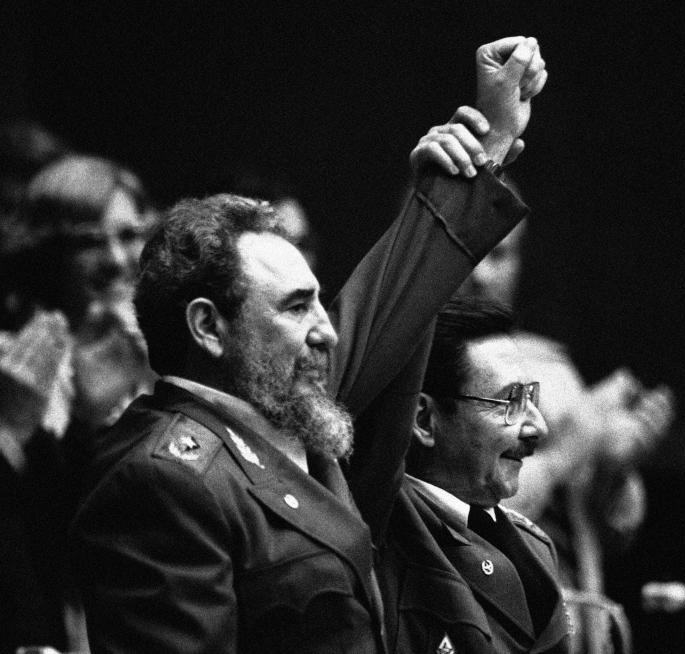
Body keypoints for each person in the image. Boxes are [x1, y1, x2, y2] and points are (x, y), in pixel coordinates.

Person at [69, 36, 547, 654]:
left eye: (319, 302)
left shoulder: (287, 415)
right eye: (297, 308)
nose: (325, 328)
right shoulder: (161, 480)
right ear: (209, 328)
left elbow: (386, 303)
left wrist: (484, 150)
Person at [459, 216, 674, 652]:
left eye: (499, 254)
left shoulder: (552, 370)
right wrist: (569, 448)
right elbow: (462, 522)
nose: (481, 275)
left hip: (575, 628)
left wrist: (613, 469)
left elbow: (609, 535)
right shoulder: (407, 374)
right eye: (468, 253)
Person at [0, 153, 156, 654]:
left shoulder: (172, 346)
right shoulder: (14, 359)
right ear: (47, 251)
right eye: (89, 242)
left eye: (130, 235)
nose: (116, 259)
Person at [376, 296, 571, 654]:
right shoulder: (380, 547)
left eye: (531, 397)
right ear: (424, 420)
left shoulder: (534, 549)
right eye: (509, 401)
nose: (537, 428)